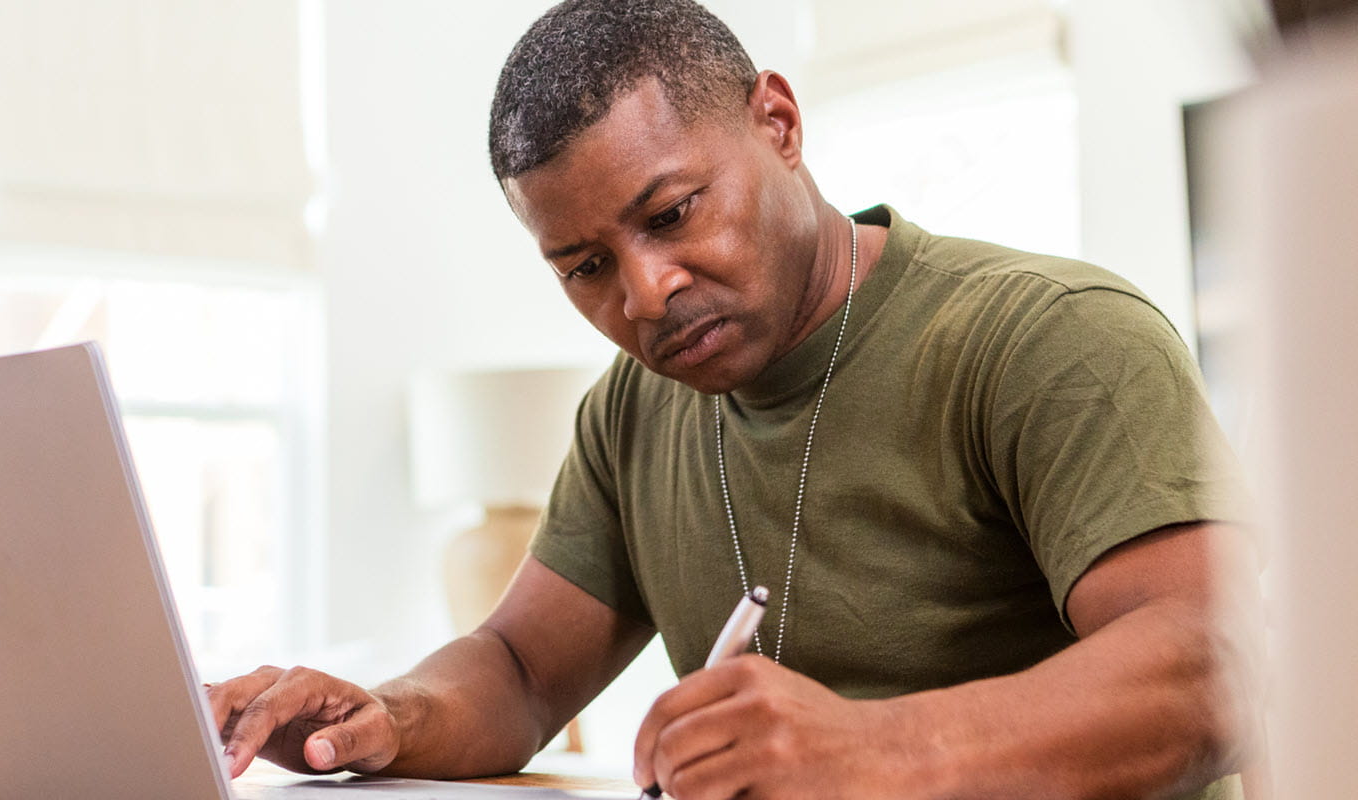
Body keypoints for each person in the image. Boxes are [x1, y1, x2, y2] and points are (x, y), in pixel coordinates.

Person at [209, 1, 1250, 797]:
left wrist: (865, 746)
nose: (644, 291)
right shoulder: (633, 409)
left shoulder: (1044, 335)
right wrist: (385, 714)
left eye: (669, 212)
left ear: (778, 123)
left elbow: (1215, 665)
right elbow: (521, 669)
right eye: (581, 266)